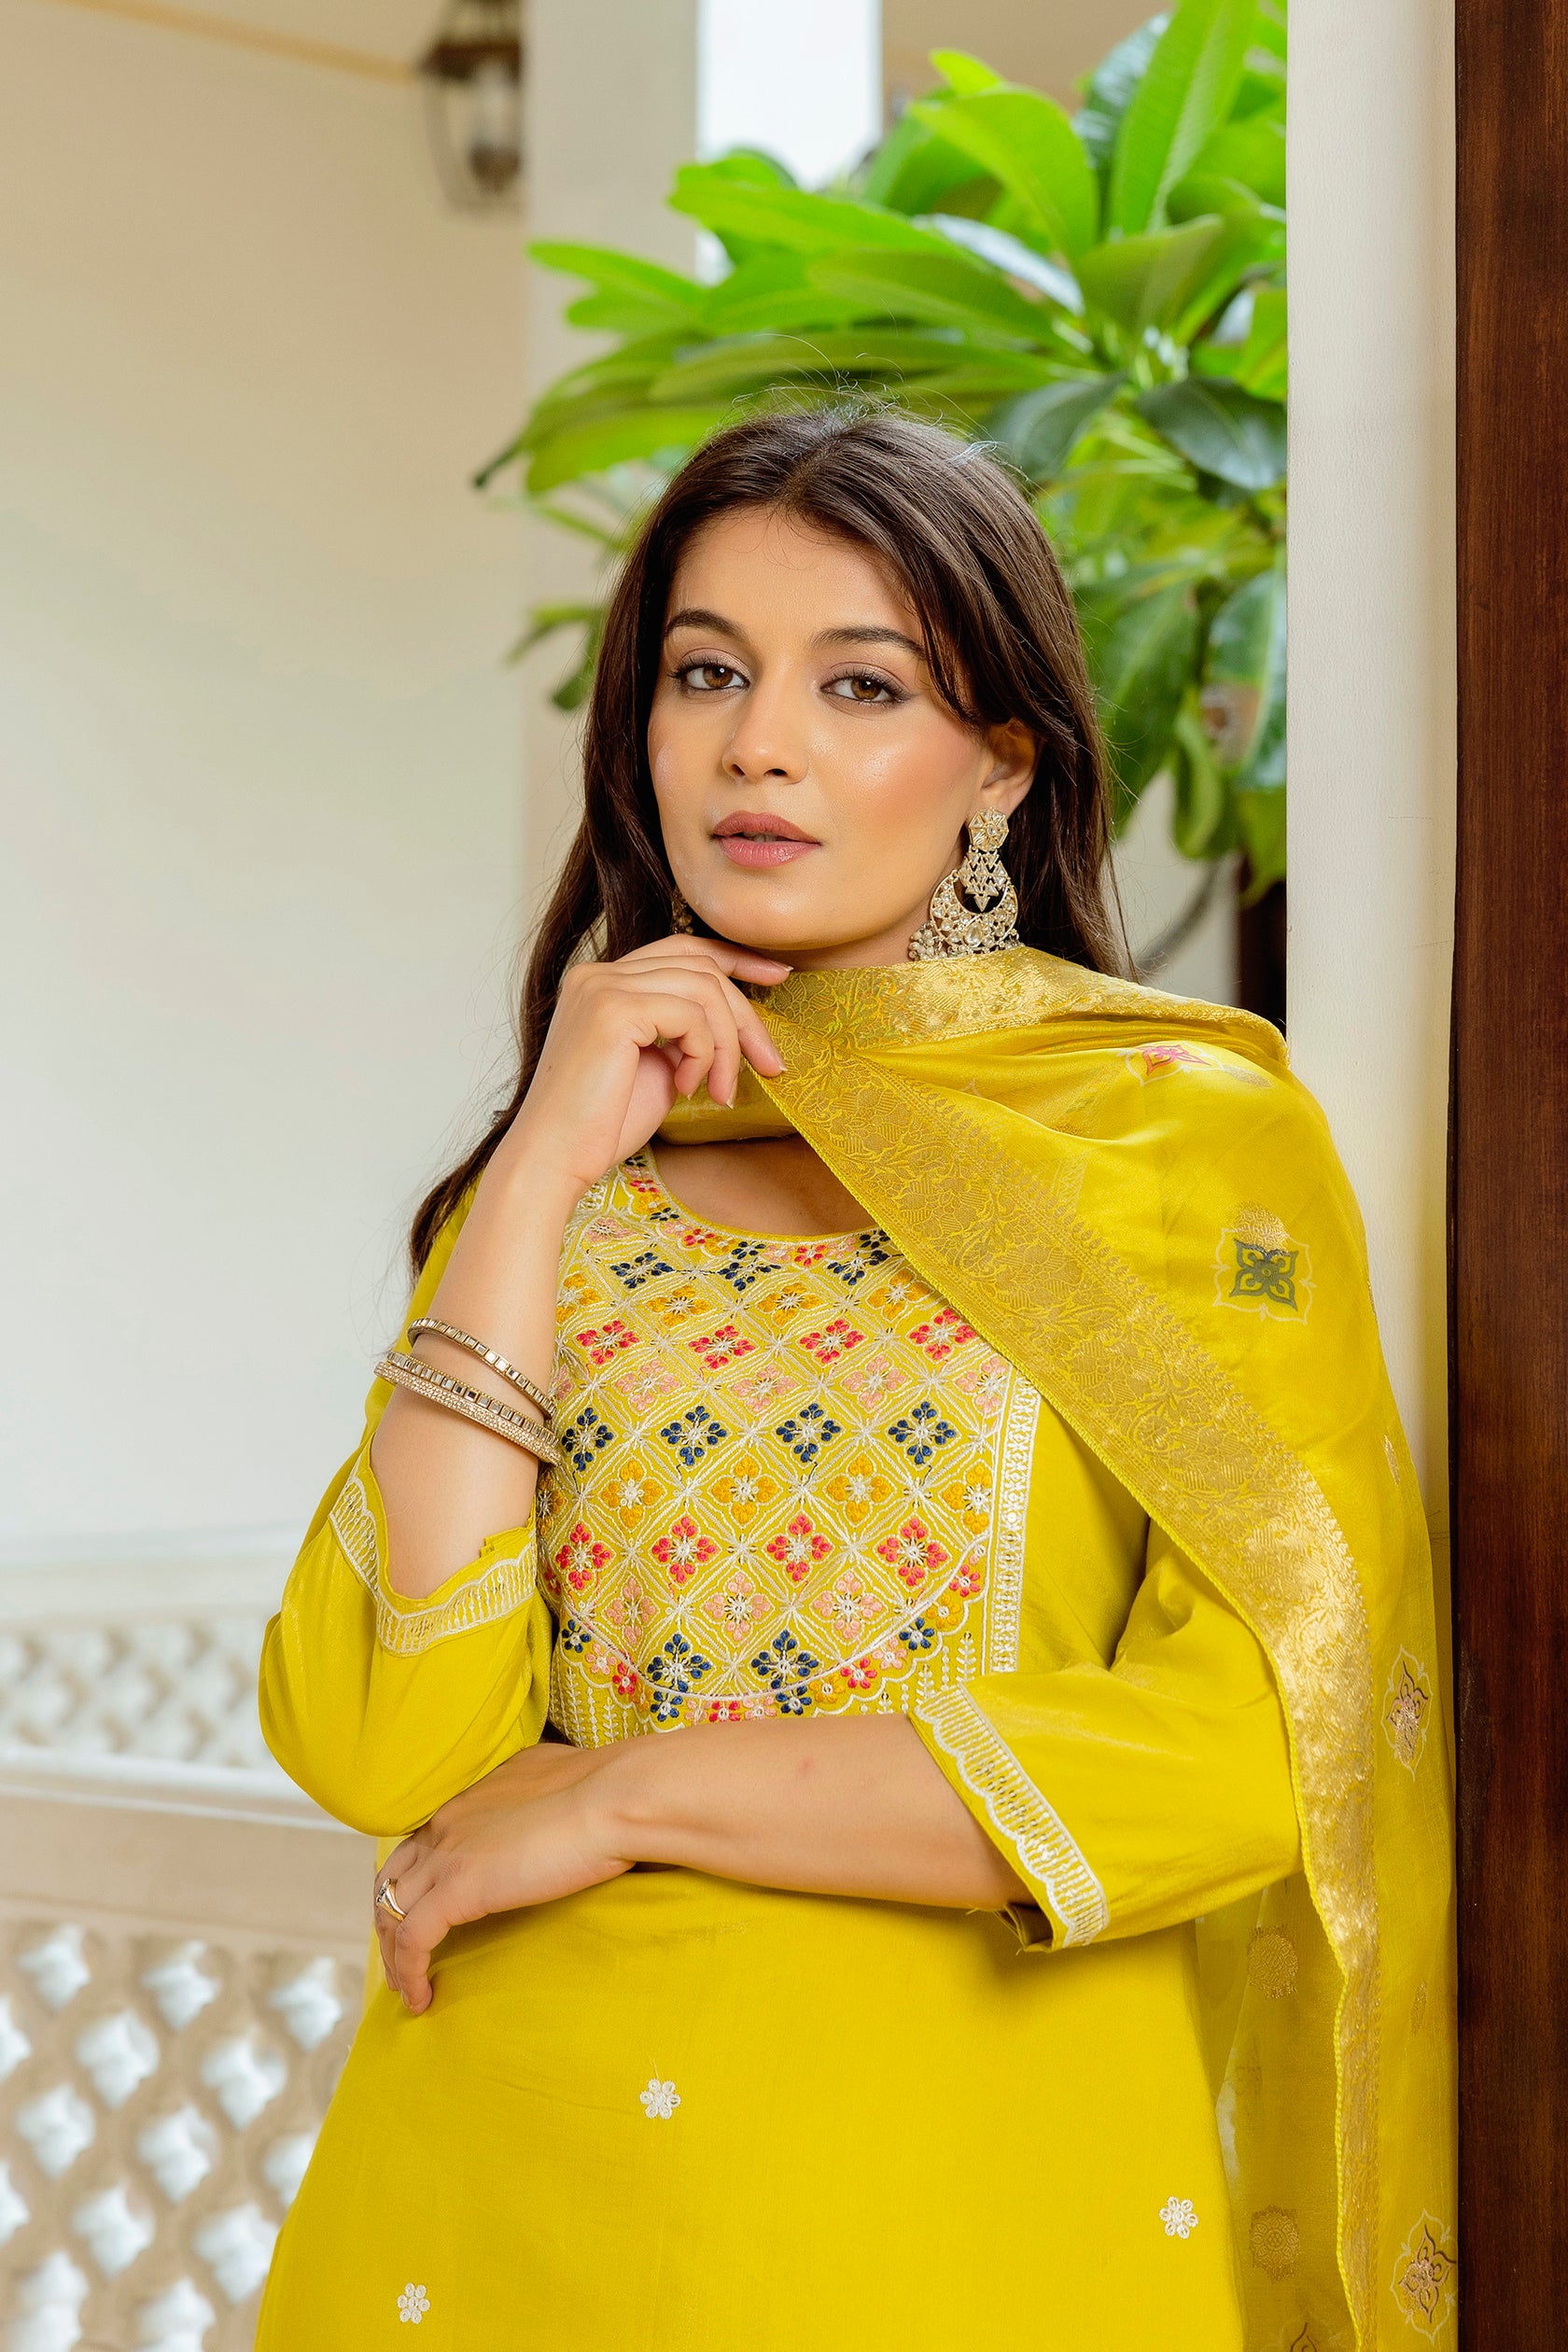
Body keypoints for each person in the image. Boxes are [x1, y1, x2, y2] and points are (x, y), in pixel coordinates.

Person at [256, 408, 1453, 2350]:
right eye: (707, 671)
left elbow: (1254, 1743)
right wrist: (544, 1163)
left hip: (970, 2203)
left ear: (1001, 768)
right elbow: (394, 1741)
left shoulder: (1175, 1155)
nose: (759, 744)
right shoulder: (556, 1190)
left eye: (861, 682)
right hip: (498, 2197)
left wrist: (632, 1798)